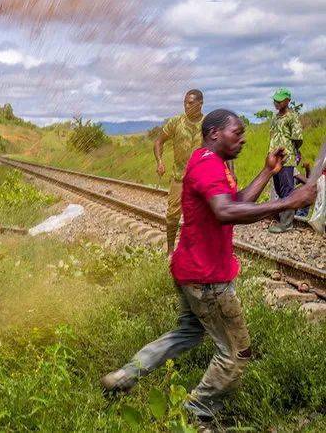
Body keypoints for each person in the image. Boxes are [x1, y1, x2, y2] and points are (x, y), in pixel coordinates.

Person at [101, 109, 316, 422]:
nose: (242, 139)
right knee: (235, 352)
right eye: (236, 133)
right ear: (215, 133)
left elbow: (237, 201)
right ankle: (197, 414)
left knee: (187, 332)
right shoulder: (207, 165)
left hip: (191, 269)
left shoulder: (212, 163)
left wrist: (268, 172)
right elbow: (225, 212)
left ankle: (124, 375)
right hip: (207, 279)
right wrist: (289, 202)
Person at [154, 89, 204, 253]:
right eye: (184, 103)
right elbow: (159, 142)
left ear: (200, 104)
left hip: (200, 179)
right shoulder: (176, 122)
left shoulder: (208, 123)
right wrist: (160, 161)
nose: (186, 106)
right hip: (179, 177)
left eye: (190, 103)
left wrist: (229, 171)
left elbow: (223, 147)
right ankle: (170, 251)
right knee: (173, 214)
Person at [267, 88, 304, 233]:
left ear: (287, 100)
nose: (276, 102)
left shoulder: (292, 117)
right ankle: (283, 217)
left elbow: (297, 138)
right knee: (278, 188)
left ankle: (287, 223)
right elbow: (272, 136)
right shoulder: (275, 118)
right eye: (275, 99)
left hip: (286, 159)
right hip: (274, 159)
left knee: (287, 189)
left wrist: (295, 152)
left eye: (280, 100)